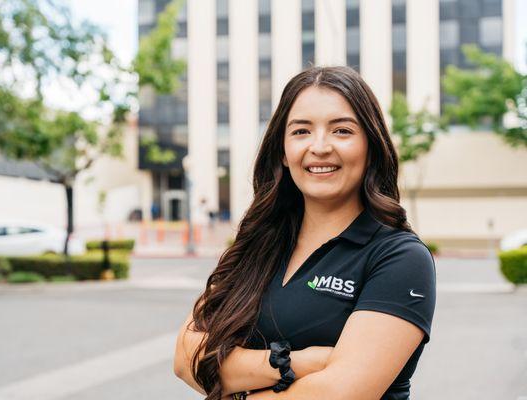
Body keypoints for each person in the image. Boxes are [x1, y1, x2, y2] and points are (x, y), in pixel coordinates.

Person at [173, 66, 437, 400]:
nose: (320, 146)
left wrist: (233, 383)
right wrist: (293, 363)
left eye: (342, 130)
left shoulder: (399, 257)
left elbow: (338, 393)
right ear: (282, 151)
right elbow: (186, 358)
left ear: (370, 145)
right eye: (301, 131)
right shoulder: (258, 242)